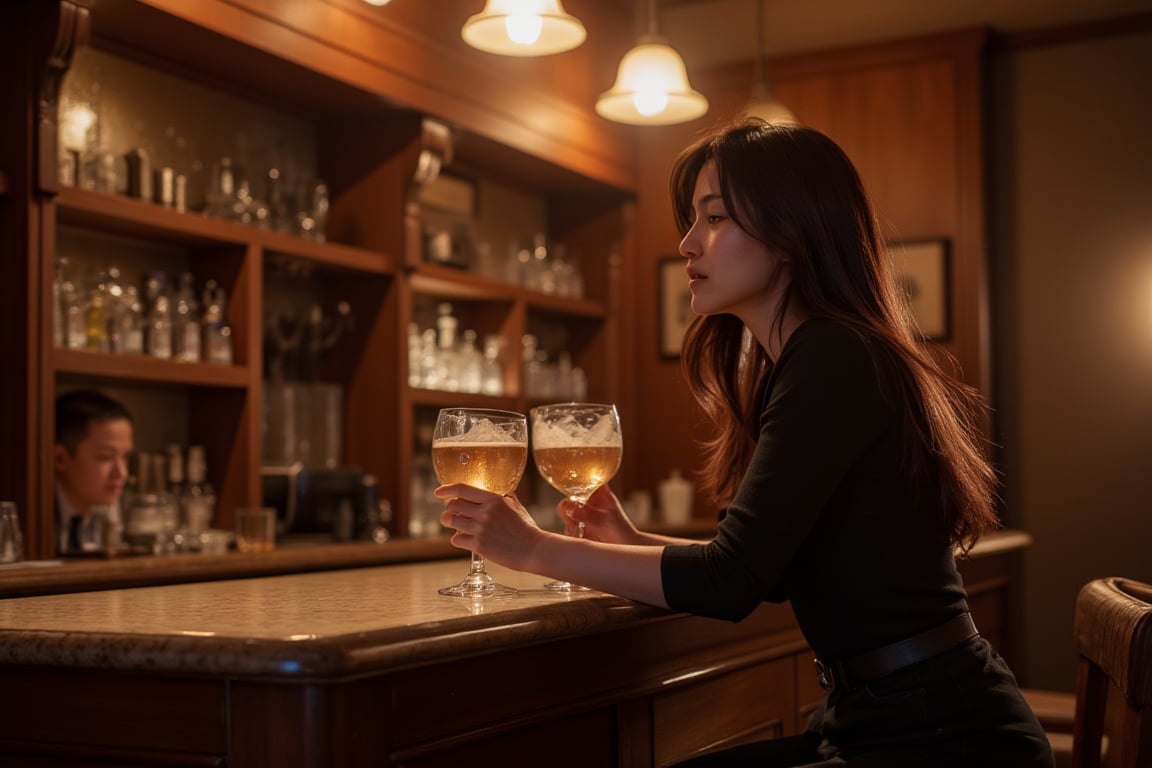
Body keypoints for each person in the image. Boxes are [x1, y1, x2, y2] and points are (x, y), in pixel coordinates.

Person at [435, 117, 1053, 767]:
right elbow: (766, 570)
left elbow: (728, 583)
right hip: (891, 720)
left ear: (791, 233)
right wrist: (634, 544)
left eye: (715, 219)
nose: (686, 243)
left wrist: (532, 548)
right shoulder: (813, 358)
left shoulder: (832, 356)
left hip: (945, 741)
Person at [54, 389, 134, 553]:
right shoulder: (31, 520)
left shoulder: (115, 511)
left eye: (125, 457)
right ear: (60, 458)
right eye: (105, 457)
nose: (121, 472)